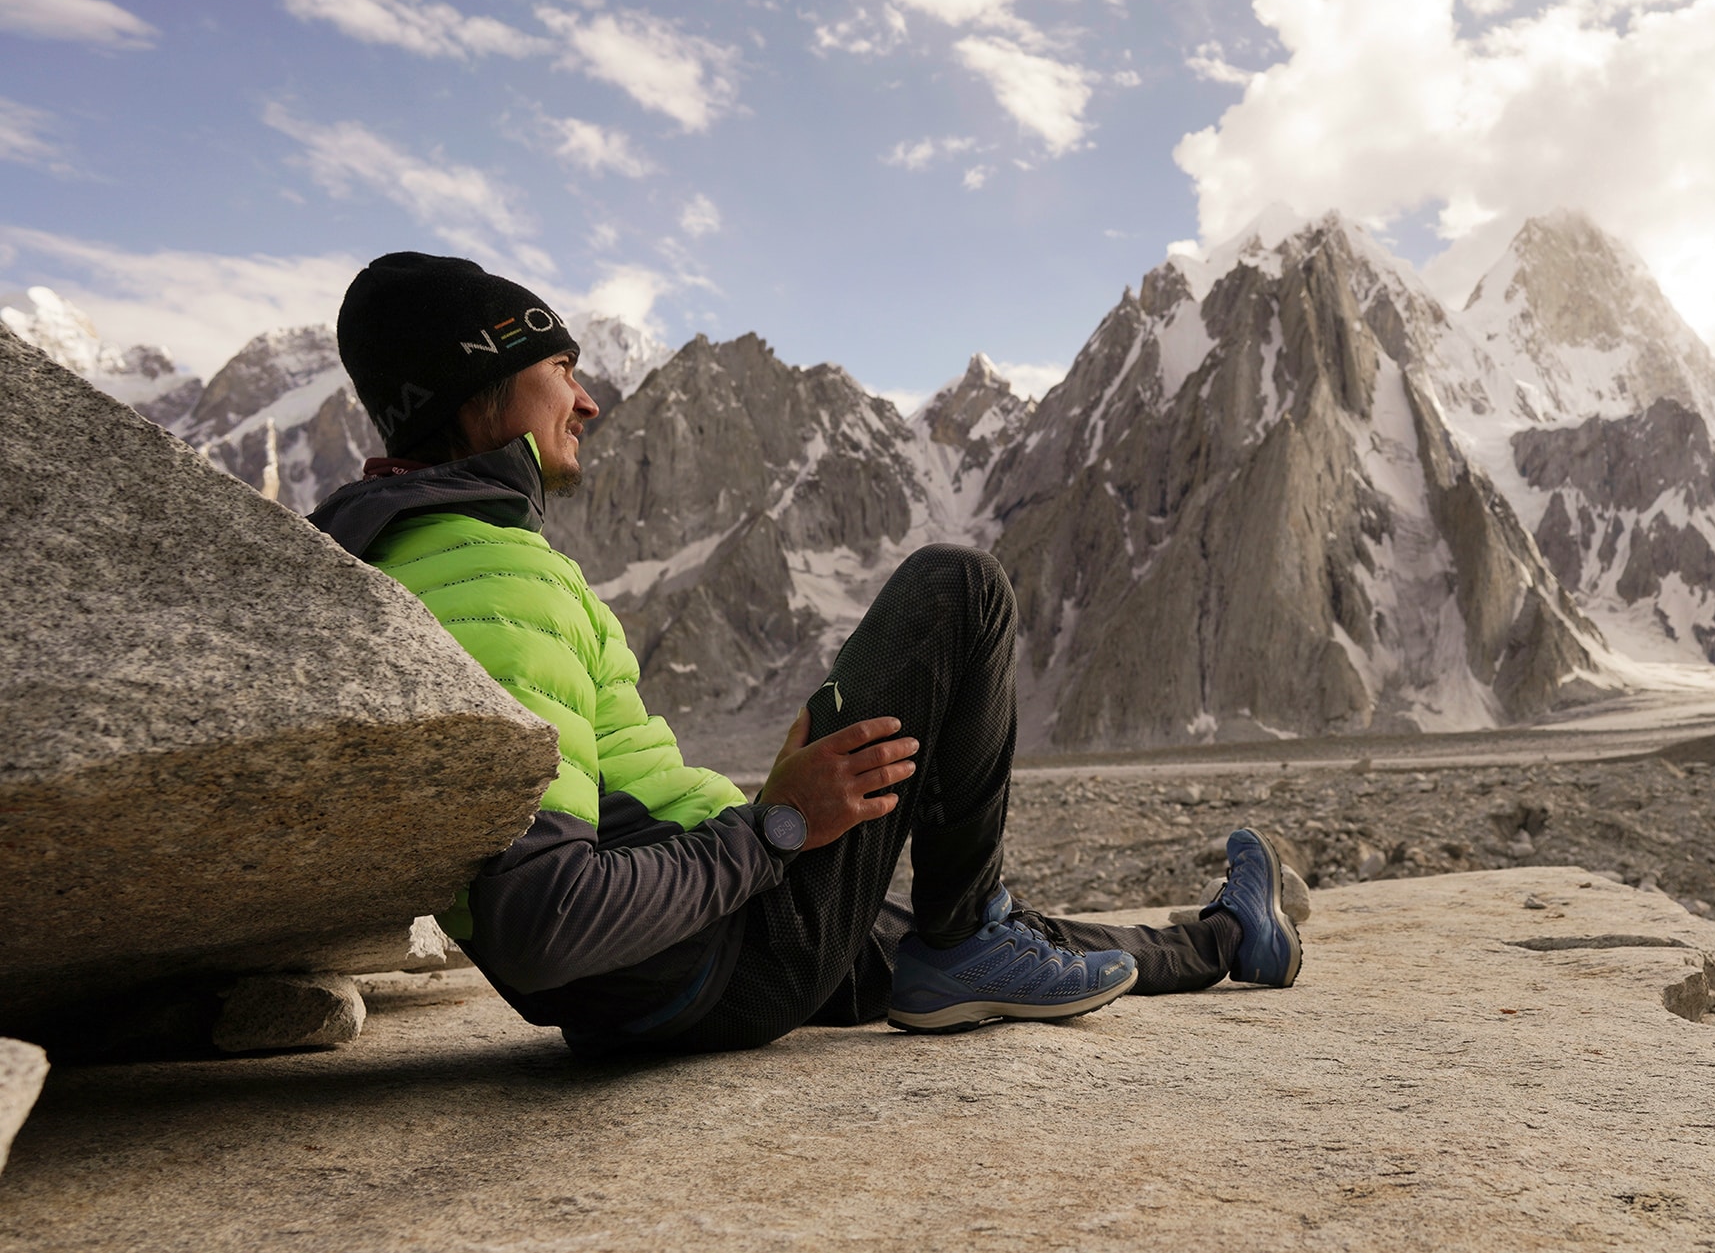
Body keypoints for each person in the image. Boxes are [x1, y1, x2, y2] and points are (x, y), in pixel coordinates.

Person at [308, 251, 1300, 1053]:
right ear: (480, 380)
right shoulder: (487, 576)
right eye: (560, 369)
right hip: (717, 962)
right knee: (957, 590)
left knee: (936, 941)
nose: (590, 400)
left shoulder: (407, 557)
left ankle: (1224, 941)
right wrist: (777, 829)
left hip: (681, 964)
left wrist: (759, 829)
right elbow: (542, 919)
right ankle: (969, 940)